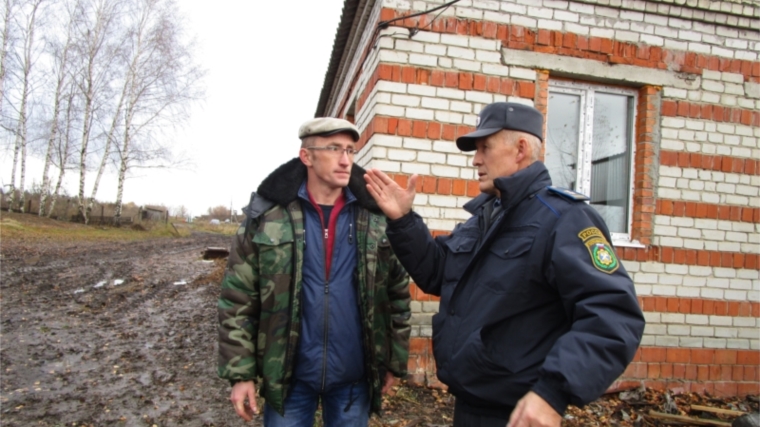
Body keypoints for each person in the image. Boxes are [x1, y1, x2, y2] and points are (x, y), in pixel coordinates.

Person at [364, 102, 645, 427]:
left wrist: (553, 392)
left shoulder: (564, 218)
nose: (476, 160)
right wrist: (404, 221)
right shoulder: (487, 215)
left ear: (521, 149)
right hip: (469, 404)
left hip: (517, 414)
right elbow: (438, 273)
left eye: (485, 147)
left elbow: (613, 315)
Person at [218, 117, 411, 426]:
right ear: (306, 156)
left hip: (354, 378)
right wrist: (240, 373)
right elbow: (238, 298)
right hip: (288, 378)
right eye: (334, 148)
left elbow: (398, 295)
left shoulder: (375, 217)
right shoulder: (267, 216)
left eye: (350, 150)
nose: (345, 160)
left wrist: (393, 361)